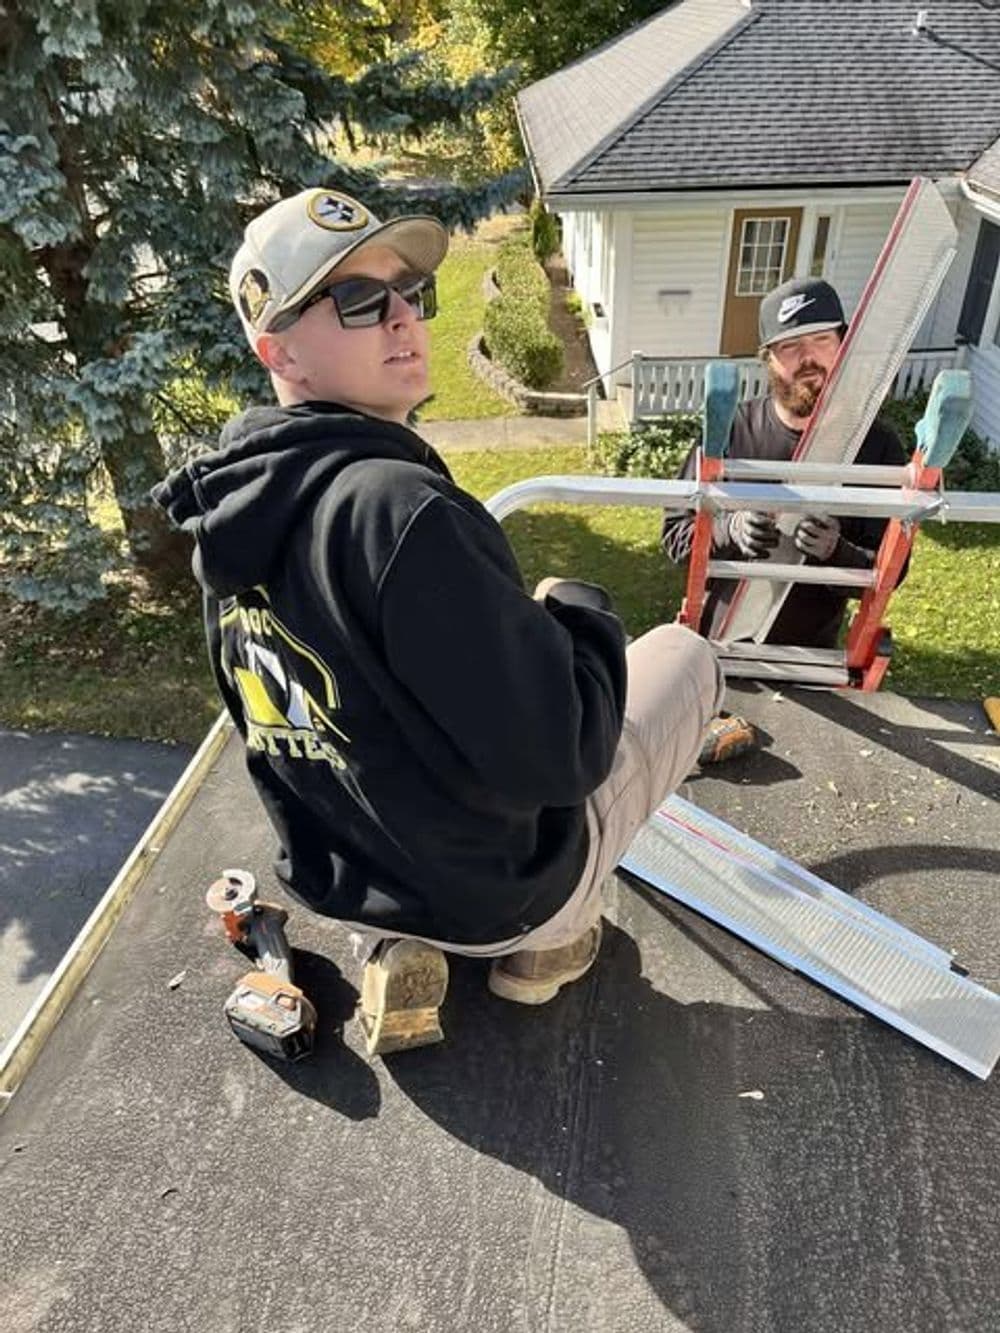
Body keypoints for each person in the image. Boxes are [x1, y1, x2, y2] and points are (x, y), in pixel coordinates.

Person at [153, 188, 723, 1056]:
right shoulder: (402, 513)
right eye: (355, 301)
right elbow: (565, 757)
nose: (401, 319)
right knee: (685, 654)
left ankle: (398, 943)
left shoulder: (230, 514)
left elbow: (275, 729)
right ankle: (549, 944)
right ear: (280, 350)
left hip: (347, 882)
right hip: (495, 896)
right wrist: (579, 612)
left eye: (408, 293)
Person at [661, 276, 908, 763]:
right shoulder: (729, 432)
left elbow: (890, 573)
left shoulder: (879, 449)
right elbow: (673, 537)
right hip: (716, 650)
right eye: (790, 346)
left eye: (821, 341)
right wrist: (728, 530)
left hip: (811, 664)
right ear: (768, 358)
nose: (808, 358)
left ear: (843, 347)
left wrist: (838, 552)